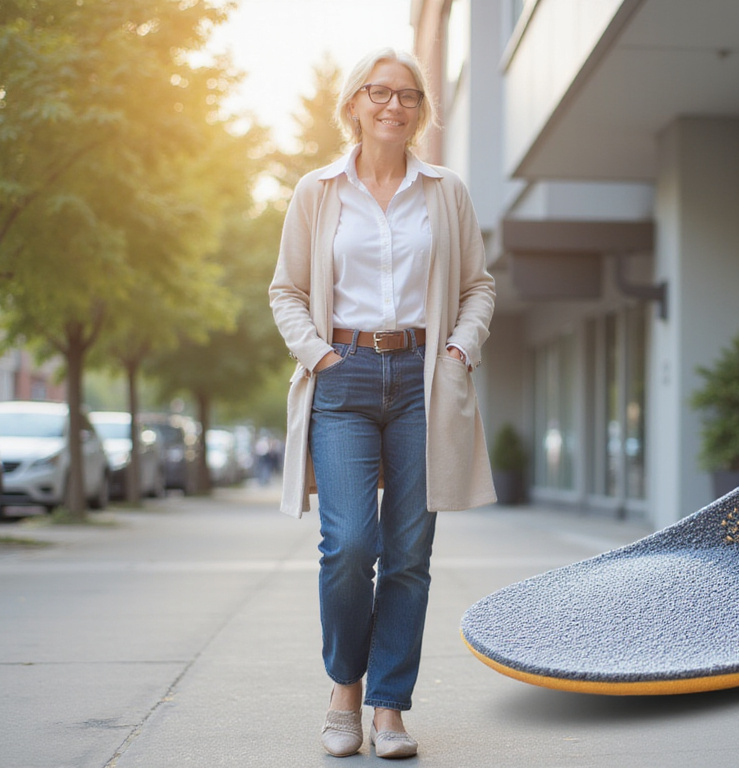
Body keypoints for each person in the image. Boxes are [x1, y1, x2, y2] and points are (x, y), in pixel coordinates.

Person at [269, 47, 496, 759]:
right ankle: (345, 688)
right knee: (348, 546)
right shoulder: (318, 191)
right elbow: (286, 290)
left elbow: (477, 286)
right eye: (379, 92)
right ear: (354, 105)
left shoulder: (445, 191)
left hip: (424, 380)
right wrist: (320, 356)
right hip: (344, 377)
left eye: (407, 95)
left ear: (421, 110)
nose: (393, 105)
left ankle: (389, 707)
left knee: (408, 554)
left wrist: (459, 350)